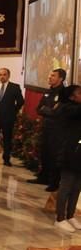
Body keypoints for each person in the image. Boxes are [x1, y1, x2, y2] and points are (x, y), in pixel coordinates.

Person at [29, 68, 66, 191]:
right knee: (45, 152)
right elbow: (39, 108)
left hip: (57, 130)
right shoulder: (47, 92)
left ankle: (54, 183)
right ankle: (43, 177)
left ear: (61, 78)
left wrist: (47, 110)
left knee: (54, 155)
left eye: (53, 76)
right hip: (46, 127)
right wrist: (48, 110)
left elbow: (58, 112)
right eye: (50, 75)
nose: (49, 77)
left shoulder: (64, 94)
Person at [53, 85, 81, 233]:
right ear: (71, 96)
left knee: (77, 187)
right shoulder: (67, 108)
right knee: (66, 186)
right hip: (69, 153)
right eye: (79, 92)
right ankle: (59, 218)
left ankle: (70, 216)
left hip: (79, 153)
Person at [0, 68, 24, 166]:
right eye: (0, 74)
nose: (2, 76)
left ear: (8, 75)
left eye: (4, 74)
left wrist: (13, 111)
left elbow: (20, 102)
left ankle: (6, 159)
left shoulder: (14, 87)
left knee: (7, 139)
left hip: (8, 118)